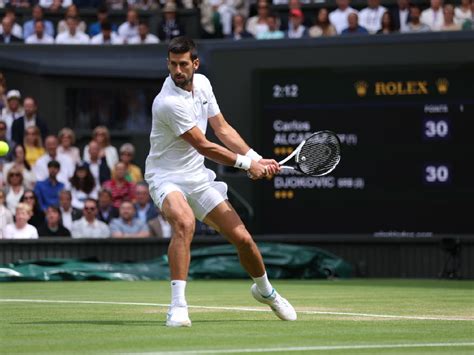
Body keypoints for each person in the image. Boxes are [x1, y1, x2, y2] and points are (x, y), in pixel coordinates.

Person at [144, 37, 296, 327]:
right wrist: (246, 165)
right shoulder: (166, 103)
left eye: (183, 64)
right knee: (184, 222)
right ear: (168, 64)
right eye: (173, 64)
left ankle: (266, 292)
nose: (178, 70)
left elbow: (222, 129)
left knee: (244, 240)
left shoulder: (202, 84)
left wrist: (256, 158)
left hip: (198, 178)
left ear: (195, 64)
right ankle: (178, 306)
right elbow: (205, 146)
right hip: (166, 177)